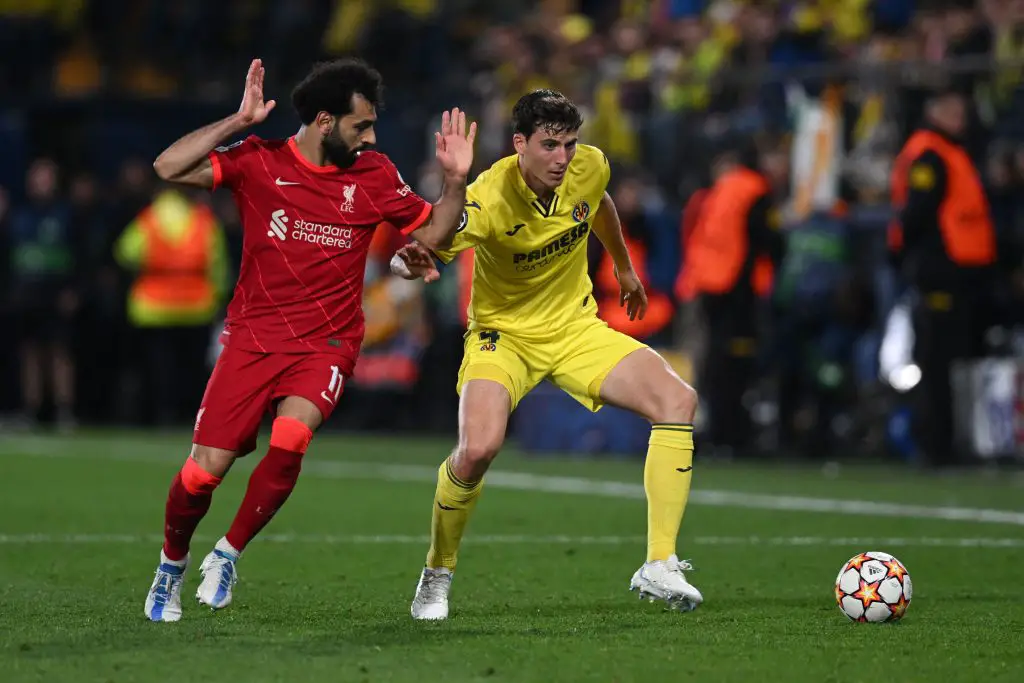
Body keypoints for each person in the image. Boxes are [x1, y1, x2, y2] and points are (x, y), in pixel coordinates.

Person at [142, 57, 475, 622]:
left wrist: (455, 181)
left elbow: (437, 232)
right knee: (202, 474)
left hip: (327, 342)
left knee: (292, 438)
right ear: (325, 121)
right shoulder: (260, 163)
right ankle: (170, 566)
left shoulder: (373, 175)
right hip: (252, 339)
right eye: (360, 126)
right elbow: (168, 167)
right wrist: (238, 121)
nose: (370, 137)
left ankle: (228, 553)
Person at [391, 90, 701, 620]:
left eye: (570, 144)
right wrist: (448, 191)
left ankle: (659, 563)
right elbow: (430, 239)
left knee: (677, 399)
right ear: (520, 144)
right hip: (502, 337)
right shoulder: (489, 196)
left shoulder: (588, 166)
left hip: (574, 327)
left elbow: (597, 201)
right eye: (550, 145)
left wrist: (623, 268)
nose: (563, 158)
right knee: (477, 451)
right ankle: (437, 572)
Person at [888, 89, 997, 468]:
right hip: (939, 271)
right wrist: (918, 263)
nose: (959, 116)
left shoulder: (951, 150)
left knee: (949, 358)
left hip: (960, 272)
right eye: (950, 109)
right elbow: (917, 216)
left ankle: (949, 441)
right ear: (933, 110)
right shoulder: (930, 153)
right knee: (935, 359)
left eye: (961, 109)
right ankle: (935, 445)